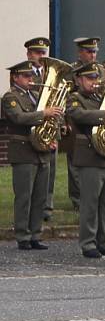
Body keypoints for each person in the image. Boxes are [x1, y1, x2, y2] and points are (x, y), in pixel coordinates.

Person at [66, 63, 105, 258]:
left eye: (95, 78)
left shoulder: (102, 98)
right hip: (90, 157)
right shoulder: (76, 98)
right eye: (90, 79)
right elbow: (78, 116)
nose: (94, 82)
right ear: (79, 80)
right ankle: (88, 243)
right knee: (90, 203)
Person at [2, 61, 59, 251]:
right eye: (26, 76)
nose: (30, 79)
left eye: (31, 76)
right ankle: (22, 235)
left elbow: (49, 120)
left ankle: (35, 234)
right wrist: (43, 113)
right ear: (15, 77)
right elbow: (18, 118)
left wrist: (52, 137)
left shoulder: (35, 95)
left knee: (40, 196)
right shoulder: (11, 97)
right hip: (23, 150)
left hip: (41, 151)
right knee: (24, 196)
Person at [65, 37, 105, 209]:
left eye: (95, 51)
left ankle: (91, 197)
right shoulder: (72, 70)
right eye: (89, 51)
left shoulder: (101, 69)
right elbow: (65, 96)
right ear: (80, 52)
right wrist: (65, 121)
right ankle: (77, 199)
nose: (93, 55)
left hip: (97, 115)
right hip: (76, 115)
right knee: (75, 159)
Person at [25, 37, 57, 221]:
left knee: (50, 168)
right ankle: (33, 208)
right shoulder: (25, 73)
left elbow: (58, 101)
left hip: (49, 126)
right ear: (29, 54)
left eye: (43, 52)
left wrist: (58, 127)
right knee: (35, 170)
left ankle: (47, 206)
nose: (41, 56)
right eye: (37, 52)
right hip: (35, 125)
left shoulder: (50, 72)